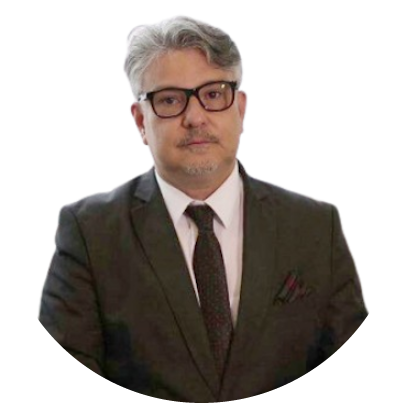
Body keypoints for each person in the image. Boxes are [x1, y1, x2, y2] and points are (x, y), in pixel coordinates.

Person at [37, 13, 369, 402]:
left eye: (213, 94)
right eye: (170, 100)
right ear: (139, 121)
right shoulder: (89, 232)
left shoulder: (316, 226)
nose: (195, 118)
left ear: (242, 108)